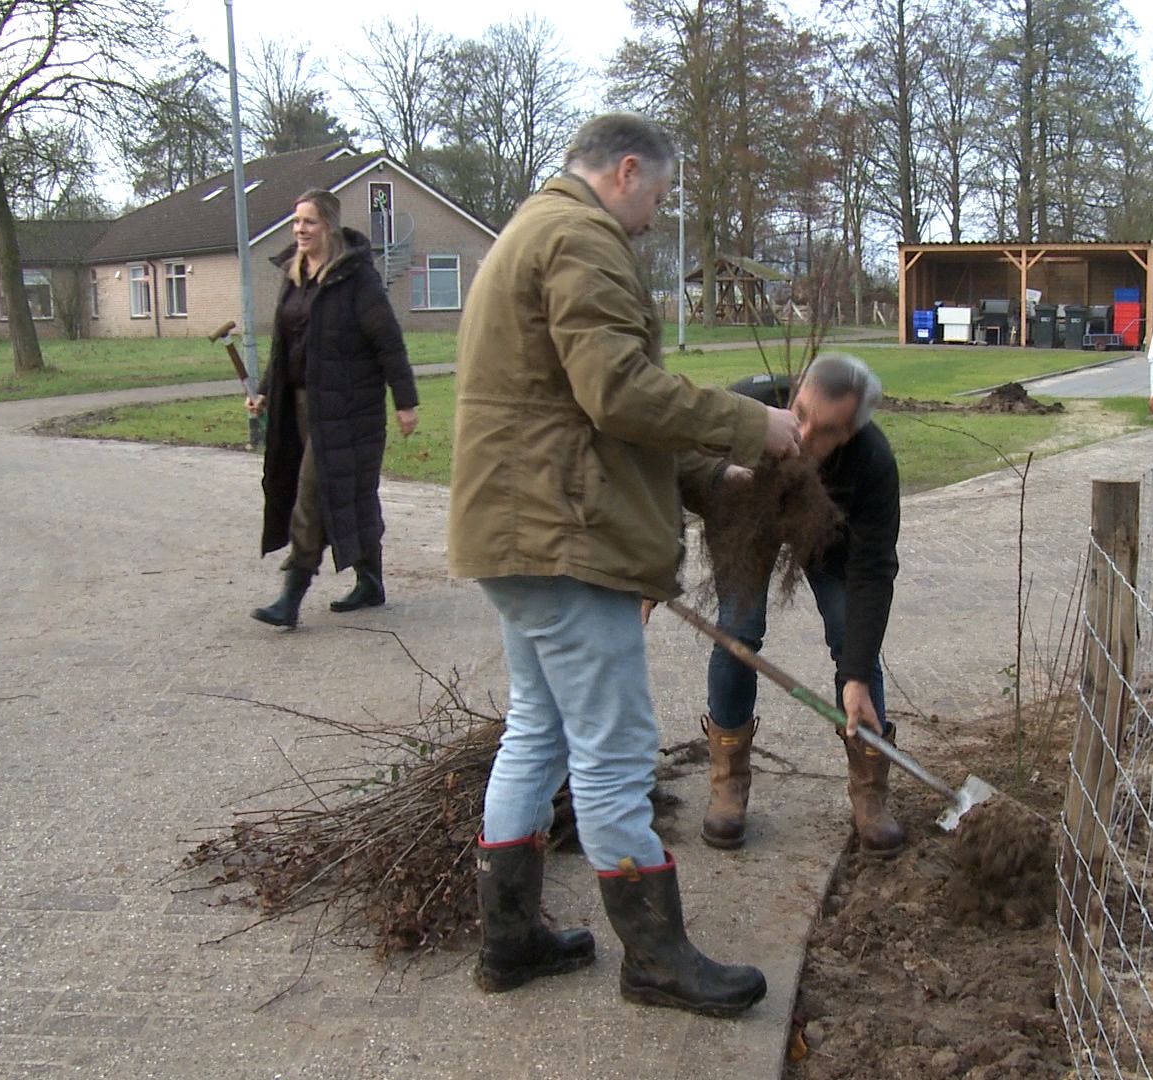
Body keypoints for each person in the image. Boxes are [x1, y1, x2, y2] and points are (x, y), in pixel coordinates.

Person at [447, 113, 800, 1018]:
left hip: (520, 534)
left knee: (537, 732)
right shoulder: (581, 236)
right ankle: (655, 958)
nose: (655, 217)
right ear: (628, 171)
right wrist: (751, 425)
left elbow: (582, 407)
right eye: (659, 197)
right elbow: (620, 390)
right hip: (567, 540)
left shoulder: (531, 230)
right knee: (611, 754)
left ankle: (510, 940)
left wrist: (701, 475)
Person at [699, 355, 903, 858]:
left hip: (828, 535)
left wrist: (856, 675)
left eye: (826, 430)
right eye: (801, 413)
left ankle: (869, 792)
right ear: (796, 392)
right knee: (738, 631)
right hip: (748, 517)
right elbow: (681, 472)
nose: (804, 436)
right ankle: (728, 783)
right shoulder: (750, 408)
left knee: (850, 637)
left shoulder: (872, 463)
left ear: (852, 432)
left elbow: (872, 573)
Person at [245, 189, 417, 628]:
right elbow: (284, 344)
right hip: (299, 407)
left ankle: (292, 596)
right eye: (296, 222)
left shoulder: (355, 278)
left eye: (309, 222)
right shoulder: (294, 274)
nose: (300, 230)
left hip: (348, 409)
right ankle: (371, 580)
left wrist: (405, 401)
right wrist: (265, 390)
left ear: (330, 227)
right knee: (352, 494)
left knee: (312, 497)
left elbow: (388, 341)